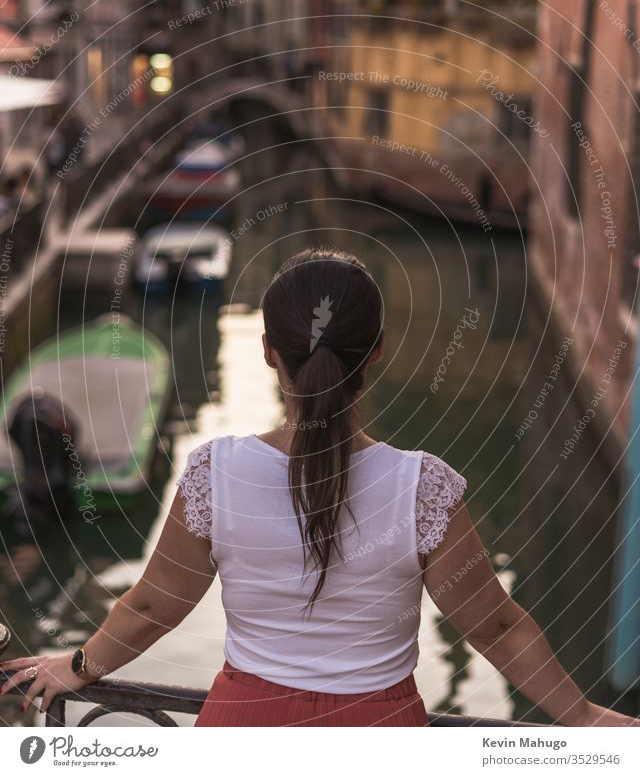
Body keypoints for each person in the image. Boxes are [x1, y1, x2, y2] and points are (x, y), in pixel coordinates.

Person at [0, 248, 638, 727]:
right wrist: (581, 718)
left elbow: (151, 608)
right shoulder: (424, 487)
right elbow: (496, 626)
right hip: (378, 731)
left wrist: (75, 667)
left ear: (269, 352)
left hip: (243, 727)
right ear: (378, 351)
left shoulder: (212, 474)